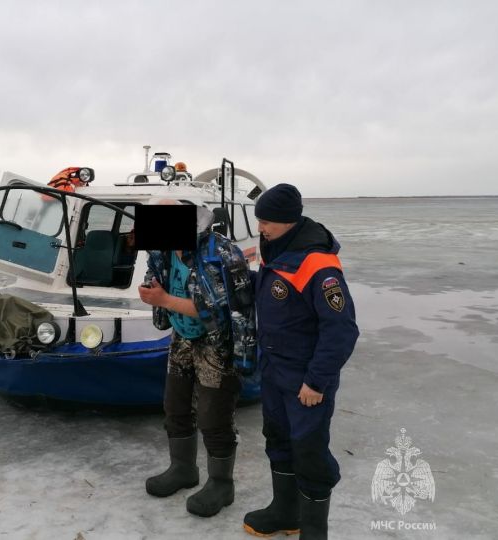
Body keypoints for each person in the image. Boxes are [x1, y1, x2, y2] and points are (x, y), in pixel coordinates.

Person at [243, 184, 359, 539]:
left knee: (309, 452)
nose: (260, 227)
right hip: (275, 371)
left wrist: (317, 381)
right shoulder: (275, 251)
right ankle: (285, 512)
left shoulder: (319, 266)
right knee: (277, 439)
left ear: (287, 221)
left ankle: (313, 530)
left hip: (306, 380)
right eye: (259, 219)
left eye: (266, 221)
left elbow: (342, 331)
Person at [138, 200, 255, 518]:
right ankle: (183, 469)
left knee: (213, 417)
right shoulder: (162, 252)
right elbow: (159, 283)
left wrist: (163, 299)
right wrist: (153, 293)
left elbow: (217, 313)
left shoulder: (219, 251)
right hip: (182, 338)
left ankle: (221, 484)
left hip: (217, 342)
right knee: (175, 406)